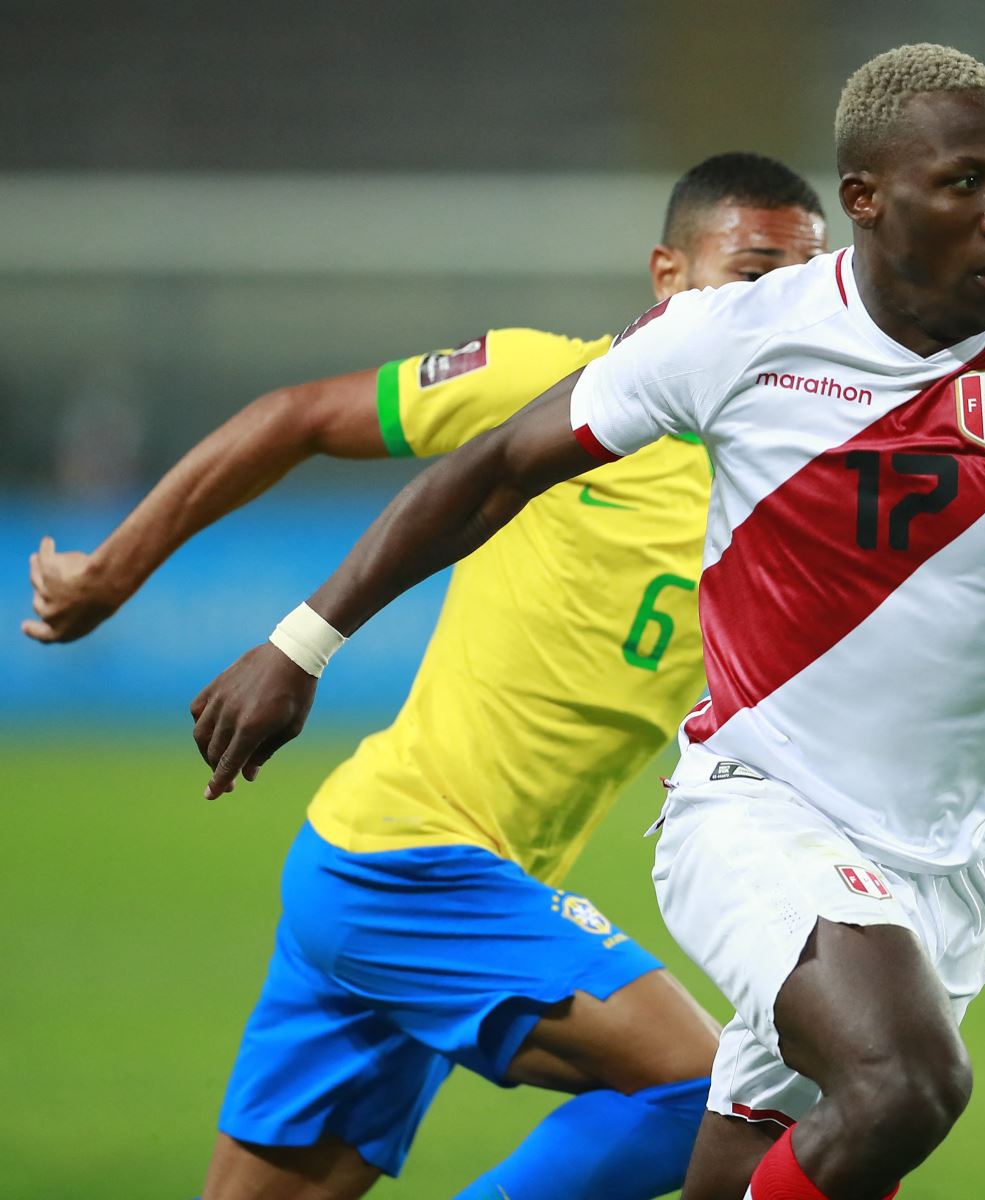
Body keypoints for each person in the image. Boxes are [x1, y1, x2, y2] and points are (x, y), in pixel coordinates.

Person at [188, 43, 985, 1200]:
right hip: (758, 813)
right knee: (907, 1083)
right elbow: (491, 471)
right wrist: (303, 642)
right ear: (867, 201)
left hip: (954, 854)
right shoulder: (741, 333)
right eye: (965, 184)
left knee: (760, 1158)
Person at [27, 153, 840, 1200]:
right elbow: (297, 417)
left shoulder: (796, 478)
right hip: (413, 863)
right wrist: (113, 570)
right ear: (668, 276)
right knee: (707, 1097)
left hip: (399, 873)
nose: (780, 307)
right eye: (753, 273)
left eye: (804, 283)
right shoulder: (546, 386)